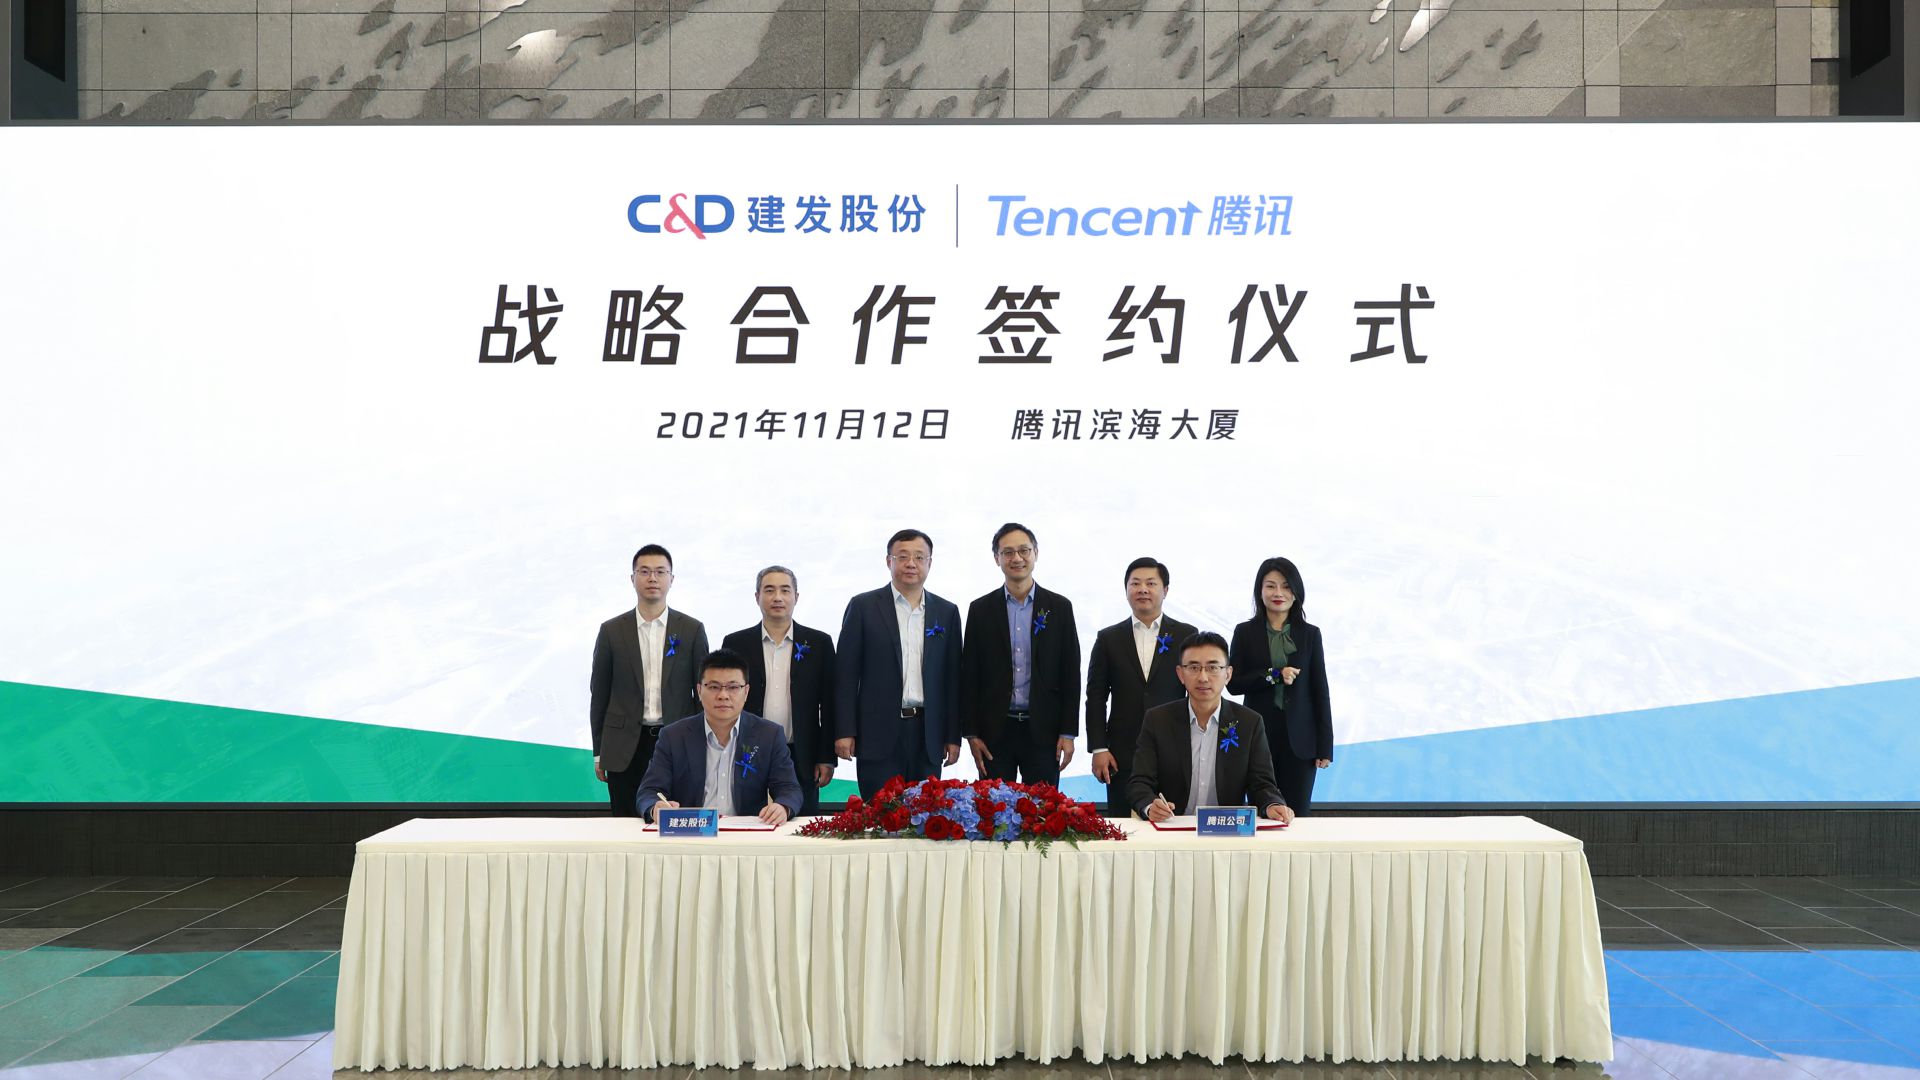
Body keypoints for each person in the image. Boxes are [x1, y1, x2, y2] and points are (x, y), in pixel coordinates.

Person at [833, 529, 964, 800]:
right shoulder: (863, 607)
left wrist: (953, 736)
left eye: (919, 557)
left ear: (930, 562)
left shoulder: (946, 612)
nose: (911, 563)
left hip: (928, 735)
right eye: (902, 556)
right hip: (877, 733)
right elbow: (845, 675)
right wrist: (845, 731)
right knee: (879, 815)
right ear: (888, 561)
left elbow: (953, 680)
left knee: (925, 815)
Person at [588, 544, 709, 817]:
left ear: (671, 579)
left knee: (676, 821)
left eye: (660, 572)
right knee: (626, 823)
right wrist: (599, 751)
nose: (652, 578)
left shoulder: (691, 629)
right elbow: (600, 695)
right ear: (632, 578)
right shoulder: (611, 631)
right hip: (624, 747)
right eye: (644, 572)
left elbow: (703, 692)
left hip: (677, 741)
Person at [959, 523, 1081, 786]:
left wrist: (1068, 732)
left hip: (1044, 732)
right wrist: (971, 733)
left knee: (1043, 808)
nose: (1017, 558)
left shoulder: (1059, 607)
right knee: (994, 807)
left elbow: (1070, 672)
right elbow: (970, 674)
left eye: (1024, 550)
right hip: (994, 732)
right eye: (1008, 552)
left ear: (1035, 553)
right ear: (997, 558)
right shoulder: (980, 610)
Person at [1129, 631, 1293, 824]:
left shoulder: (1249, 722)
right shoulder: (1158, 720)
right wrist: (1150, 806)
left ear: (1228, 674)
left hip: (1226, 829)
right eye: (1193, 667)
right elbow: (1139, 782)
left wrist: (1272, 804)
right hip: (1172, 826)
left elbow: (1262, 784)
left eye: (1213, 668)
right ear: (1180, 674)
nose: (1203, 677)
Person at [1084, 557, 1197, 813]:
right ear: (1126, 590)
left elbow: (1196, 690)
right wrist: (1099, 747)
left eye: (1150, 583)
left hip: (1175, 748)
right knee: (1123, 825)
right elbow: (1096, 696)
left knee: (1174, 821)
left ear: (1165, 590)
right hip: (1122, 753)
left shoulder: (1186, 634)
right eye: (1135, 583)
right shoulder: (1109, 638)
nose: (1142, 589)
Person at [636, 648, 802, 824]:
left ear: (746, 692)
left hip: (746, 832)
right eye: (714, 687)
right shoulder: (673, 736)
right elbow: (649, 791)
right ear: (699, 691)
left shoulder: (769, 735)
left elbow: (789, 788)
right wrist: (655, 807)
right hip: (691, 832)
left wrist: (782, 807)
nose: (723, 695)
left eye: (733, 687)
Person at [721, 566, 837, 815]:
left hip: (801, 752)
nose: (777, 597)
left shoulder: (819, 643)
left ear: (796, 596)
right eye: (769, 590)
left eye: (785, 590)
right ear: (757, 597)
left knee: (800, 823)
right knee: (748, 822)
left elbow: (829, 704)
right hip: (747, 751)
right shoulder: (735, 643)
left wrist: (826, 756)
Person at [1227, 557, 1333, 815]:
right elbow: (1234, 684)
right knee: (1260, 813)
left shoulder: (1310, 634)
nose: (1278, 593)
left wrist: (1325, 746)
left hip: (1301, 742)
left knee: (1297, 814)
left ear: (1296, 593)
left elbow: (1320, 691)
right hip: (1258, 737)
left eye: (1286, 586)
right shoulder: (1245, 632)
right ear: (1259, 591)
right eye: (1270, 586)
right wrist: (1273, 675)